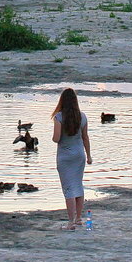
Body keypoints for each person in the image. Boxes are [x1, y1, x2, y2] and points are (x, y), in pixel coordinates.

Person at [51, 88, 91, 230]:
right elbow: (85, 137)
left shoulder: (59, 117)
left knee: (68, 188)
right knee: (78, 185)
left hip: (65, 157)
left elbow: (56, 139)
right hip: (79, 155)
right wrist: (89, 156)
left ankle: (70, 222)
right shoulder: (83, 117)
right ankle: (79, 218)